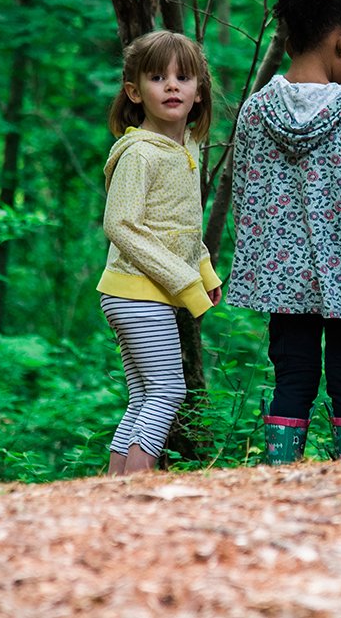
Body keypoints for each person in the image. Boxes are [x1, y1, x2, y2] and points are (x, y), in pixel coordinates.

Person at [230, 0, 341, 464]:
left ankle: (279, 478)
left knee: (291, 377)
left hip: (282, 281)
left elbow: (244, 195)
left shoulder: (254, 111)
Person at [97, 30, 223, 476]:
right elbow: (120, 225)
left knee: (145, 394)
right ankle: (139, 484)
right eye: (157, 77)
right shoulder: (140, 154)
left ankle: (116, 486)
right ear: (135, 91)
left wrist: (206, 274)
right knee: (168, 390)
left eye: (183, 77)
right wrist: (185, 282)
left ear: (199, 90)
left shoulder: (184, 148)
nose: (172, 85)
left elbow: (182, 230)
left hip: (144, 291)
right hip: (135, 293)